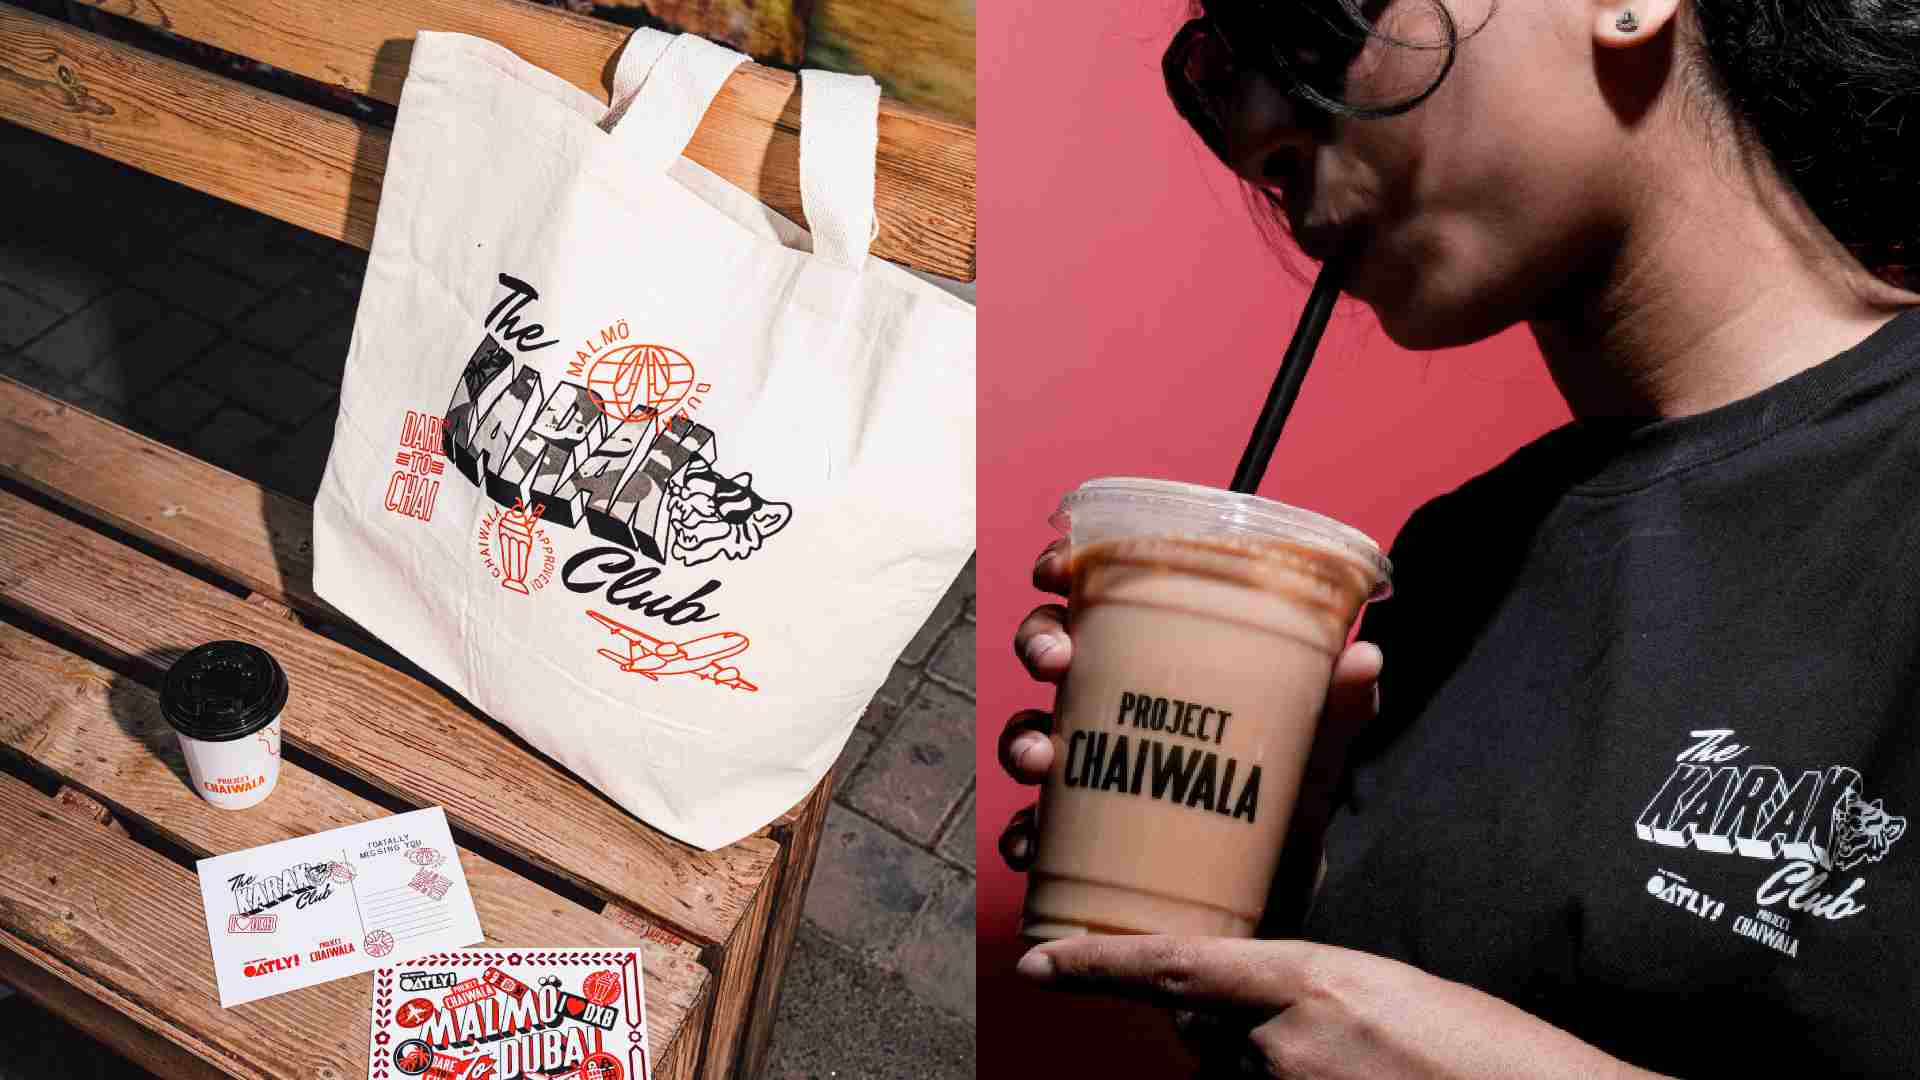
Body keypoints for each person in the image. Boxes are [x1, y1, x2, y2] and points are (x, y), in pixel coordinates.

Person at [994, 0, 1920, 1075]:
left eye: (1312, 20)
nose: (1255, 131)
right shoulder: (1450, 563)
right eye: (1223, 73)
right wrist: (1249, 935)